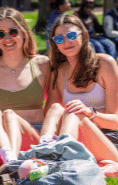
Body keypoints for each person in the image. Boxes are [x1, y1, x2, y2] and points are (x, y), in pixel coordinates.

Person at [0, 8, 50, 166]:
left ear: (24, 33)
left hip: (34, 136)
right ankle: (11, 161)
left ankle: (12, 164)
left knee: (10, 115)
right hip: (0, 140)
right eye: (0, 34)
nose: (7, 38)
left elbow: (55, 103)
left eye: (13, 32)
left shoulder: (42, 64)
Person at [41, 13, 118, 162]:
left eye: (71, 36)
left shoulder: (105, 64)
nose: (66, 42)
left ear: (84, 35)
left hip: (108, 138)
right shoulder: (59, 71)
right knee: (57, 108)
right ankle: (43, 150)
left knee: (75, 113)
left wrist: (89, 113)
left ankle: (56, 159)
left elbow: (115, 121)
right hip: (76, 135)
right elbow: (50, 115)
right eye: (58, 39)